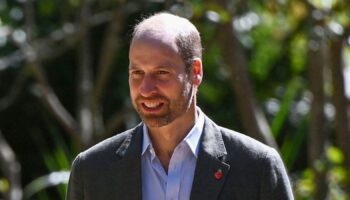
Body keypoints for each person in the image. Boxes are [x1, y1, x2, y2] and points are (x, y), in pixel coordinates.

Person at [66, 12, 294, 200]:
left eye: (161, 73)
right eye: (137, 73)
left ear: (195, 72)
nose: (146, 89)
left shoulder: (257, 168)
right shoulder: (92, 171)